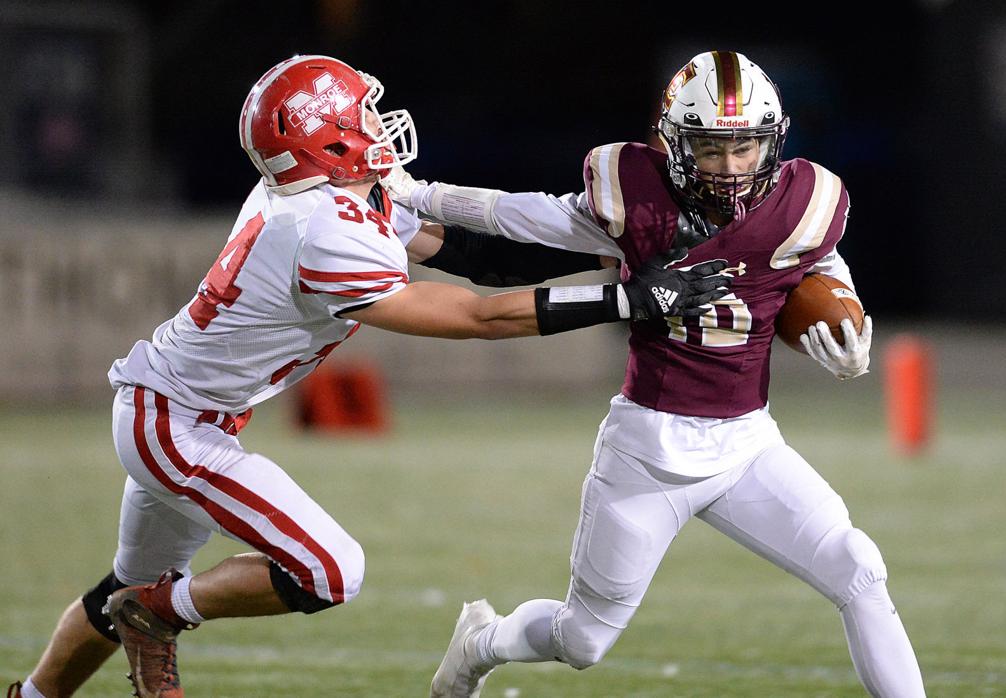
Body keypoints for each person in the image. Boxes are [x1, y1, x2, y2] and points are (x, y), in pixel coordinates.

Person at [4, 55, 729, 698]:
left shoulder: (335, 198)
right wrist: (625, 301)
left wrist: (621, 253)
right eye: (359, 112)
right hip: (175, 424)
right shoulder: (321, 226)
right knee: (329, 570)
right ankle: (159, 616)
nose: (376, 122)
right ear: (322, 136)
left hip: (175, 411)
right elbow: (476, 317)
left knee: (119, 587)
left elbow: (474, 257)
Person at [385, 50, 926, 698]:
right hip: (648, 452)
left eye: (745, 148)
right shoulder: (635, 200)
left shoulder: (805, 202)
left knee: (858, 568)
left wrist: (850, 319)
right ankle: (483, 642)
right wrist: (417, 195)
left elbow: (823, 257)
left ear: (772, 143)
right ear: (674, 145)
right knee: (582, 640)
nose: (730, 168)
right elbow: (517, 215)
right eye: (710, 149)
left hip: (748, 447)